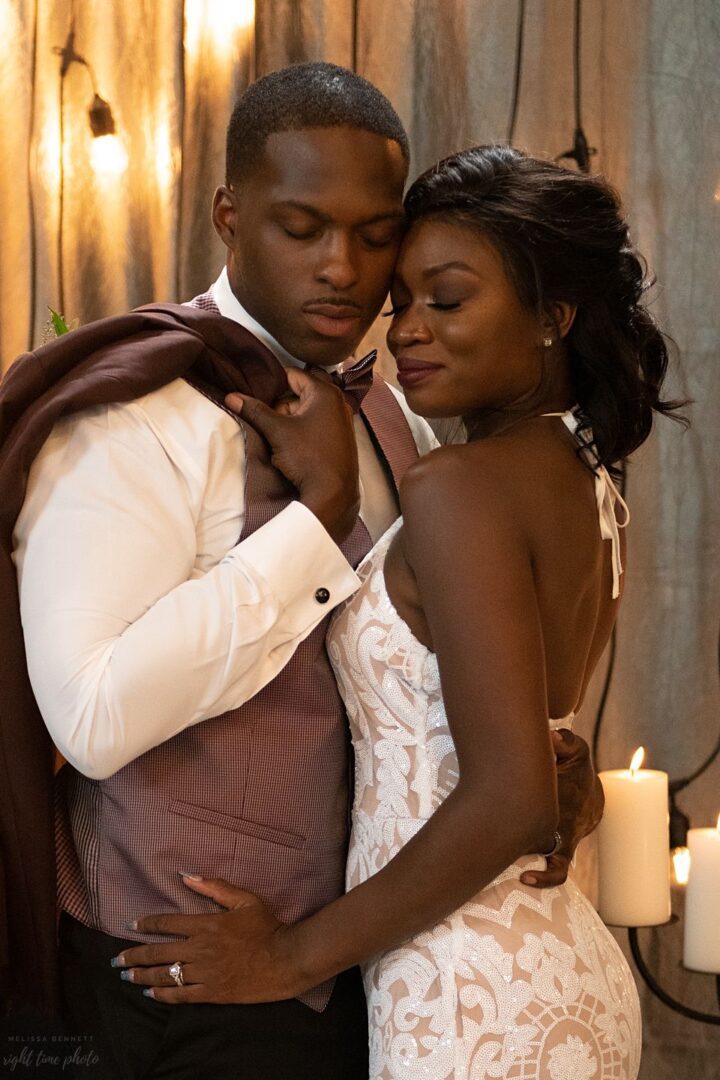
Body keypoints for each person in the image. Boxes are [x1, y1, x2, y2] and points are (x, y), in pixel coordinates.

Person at [3, 67, 600, 1079]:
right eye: (302, 227)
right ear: (231, 218)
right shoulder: (132, 417)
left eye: (376, 236)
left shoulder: (397, 415)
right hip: (164, 982)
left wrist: (547, 772)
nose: (344, 269)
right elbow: (91, 720)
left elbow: (418, 667)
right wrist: (316, 523)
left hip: (349, 973)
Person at [115, 145, 685, 1078]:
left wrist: (288, 957)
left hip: (466, 989)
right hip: (542, 965)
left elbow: (508, 798)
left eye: (447, 301)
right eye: (403, 304)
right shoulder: (583, 481)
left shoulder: (460, 485)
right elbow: (533, 757)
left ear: (554, 318)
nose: (408, 332)